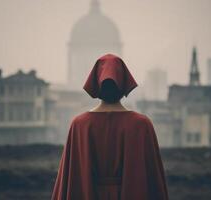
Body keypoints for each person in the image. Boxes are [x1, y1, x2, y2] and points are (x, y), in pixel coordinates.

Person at [51, 54, 169, 200]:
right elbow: (153, 182)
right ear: (124, 85)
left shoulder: (79, 125)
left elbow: (72, 180)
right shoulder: (141, 125)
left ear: (96, 86)